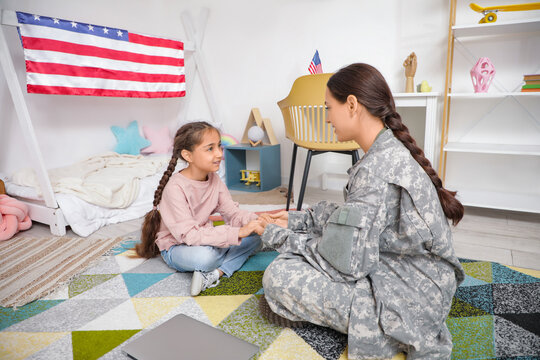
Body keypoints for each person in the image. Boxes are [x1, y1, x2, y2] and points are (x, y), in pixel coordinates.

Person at [254, 63, 465, 359]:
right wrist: (301, 219)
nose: (327, 119)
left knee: (279, 274)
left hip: (412, 301)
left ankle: (381, 329)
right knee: (294, 258)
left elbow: (346, 263)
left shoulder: (375, 169)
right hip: (426, 282)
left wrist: (278, 236)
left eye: (329, 108)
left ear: (352, 104)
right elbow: (357, 219)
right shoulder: (388, 149)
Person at [135, 121, 262, 296]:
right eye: (210, 149)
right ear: (188, 155)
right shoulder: (175, 188)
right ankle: (219, 262)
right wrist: (236, 234)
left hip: (203, 237)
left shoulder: (214, 179)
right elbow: (190, 235)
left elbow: (232, 213)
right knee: (206, 258)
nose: (218, 154)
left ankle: (216, 273)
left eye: (219, 146)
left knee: (256, 238)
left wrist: (255, 221)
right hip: (177, 246)